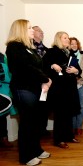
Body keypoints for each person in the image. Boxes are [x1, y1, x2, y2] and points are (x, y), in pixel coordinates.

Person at [5, 19, 52, 165]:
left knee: (35, 122)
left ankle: (36, 150)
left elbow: (38, 68)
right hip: (23, 89)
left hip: (34, 89)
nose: (33, 30)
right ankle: (26, 156)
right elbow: (26, 68)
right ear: (21, 30)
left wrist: (45, 79)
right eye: (30, 28)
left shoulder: (28, 48)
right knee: (27, 123)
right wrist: (45, 78)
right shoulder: (14, 47)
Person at [43, 31, 81, 149]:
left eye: (68, 38)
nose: (67, 40)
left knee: (68, 113)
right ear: (58, 39)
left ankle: (68, 136)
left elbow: (78, 69)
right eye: (65, 38)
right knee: (60, 114)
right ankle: (58, 140)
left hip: (70, 88)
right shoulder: (51, 51)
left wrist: (76, 71)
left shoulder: (70, 53)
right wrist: (52, 65)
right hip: (59, 89)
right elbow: (43, 65)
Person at [69, 37, 83, 135]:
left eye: (75, 43)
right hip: (70, 85)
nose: (74, 45)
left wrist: (79, 77)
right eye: (71, 43)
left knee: (81, 106)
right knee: (72, 106)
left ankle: (79, 127)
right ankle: (72, 128)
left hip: (82, 84)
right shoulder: (66, 55)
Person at [32, 26, 50, 137]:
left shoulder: (47, 50)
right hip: (33, 83)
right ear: (33, 32)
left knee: (44, 107)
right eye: (39, 31)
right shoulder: (28, 48)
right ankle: (34, 131)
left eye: (42, 31)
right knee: (33, 107)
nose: (42, 32)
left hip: (45, 83)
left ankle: (42, 129)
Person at [0, 52, 15, 148]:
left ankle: (4, 138)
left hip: (4, 90)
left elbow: (8, 72)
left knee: (2, 116)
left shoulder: (2, 56)